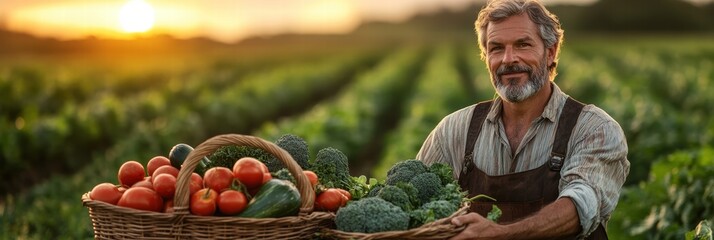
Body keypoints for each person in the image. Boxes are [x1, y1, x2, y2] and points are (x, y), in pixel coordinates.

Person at [415, 0, 630, 239]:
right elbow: (414, 201)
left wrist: (501, 234)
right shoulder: (454, 130)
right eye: (496, 48)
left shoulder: (594, 128)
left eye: (522, 44)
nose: (508, 59)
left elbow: (581, 206)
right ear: (486, 57)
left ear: (551, 52)